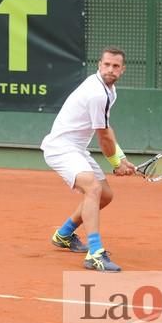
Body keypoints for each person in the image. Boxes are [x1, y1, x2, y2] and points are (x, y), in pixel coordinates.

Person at [41, 46, 136, 272]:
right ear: (99, 65)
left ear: (123, 70)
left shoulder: (109, 91)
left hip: (76, 148)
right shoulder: (97, 93)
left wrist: (122, 158)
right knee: (92, 189)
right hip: (61, 149)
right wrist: (115, 164)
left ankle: (63, 234)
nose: (110, 70)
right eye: (106, 65)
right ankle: (95, 253)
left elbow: (106, 128)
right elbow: (103, 137)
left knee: (105, 195)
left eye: (115, 66)